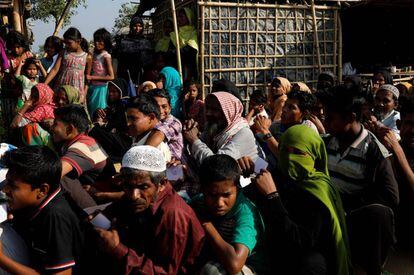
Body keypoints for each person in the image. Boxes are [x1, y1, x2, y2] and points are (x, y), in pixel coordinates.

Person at [247, 124, 351, 275]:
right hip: (274, 251)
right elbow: (268, 171)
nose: (290, 157)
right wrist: (249, 165)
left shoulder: (319, 191)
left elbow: (301, 241)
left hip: (303, 259)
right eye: (285, 150)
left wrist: (273, 197)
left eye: (298, 152)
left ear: (314, 155)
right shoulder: (282, 175)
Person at [95, 145, 205, 274]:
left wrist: (117, 249)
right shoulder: (135, 196)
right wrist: (96, 223)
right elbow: (111, 212)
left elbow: (165, 272)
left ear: (162, 184)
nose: (134, 195)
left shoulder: (172, 214)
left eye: (144, 187)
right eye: (128, 186)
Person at [323, 89, 399, 274]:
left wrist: (352, 205)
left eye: (331, 118)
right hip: (325, 211)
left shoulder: (373, 150)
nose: (326, 123)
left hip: (352, 217)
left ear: (351, 117)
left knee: (378, 214)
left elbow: (391, 196)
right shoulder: (326, 142)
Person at [0, 146, 86, 274]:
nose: (5, 190)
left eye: (12, 186)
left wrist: (2, 259)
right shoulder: (37, 198)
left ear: (42, 190)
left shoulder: (55, 216)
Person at [192, 154, 266, 274]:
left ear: (237, 188)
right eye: (212, 195)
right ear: (203, 190)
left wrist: (207, 226)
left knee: (212, 271)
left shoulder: (246, 213)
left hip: (247, 267)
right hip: (217, 258)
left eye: (226, 195)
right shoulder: (199, 201)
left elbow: (235, 264)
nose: (219, 203)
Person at [51, 104, 110, 208]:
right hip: (91, 189)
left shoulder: (82, 148)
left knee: (62, 178)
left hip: (95, 201)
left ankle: (95, 218)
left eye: (55, 124)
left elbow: (54, 172)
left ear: (69, 129)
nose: (52, 128)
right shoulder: (82, 140)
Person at [376, 96, 414, 248]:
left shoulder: (396, 149)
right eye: (409, 123)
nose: (412, 130)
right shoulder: (388, 149)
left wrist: (398, 153)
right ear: (399, 124)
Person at [184, 92, 259, 166]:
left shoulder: (243, 132)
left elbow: (218, 165)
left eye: (215, 110)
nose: (208, 113)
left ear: (229, 112)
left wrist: (194, 140)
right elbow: (198, 147)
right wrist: (191, 130)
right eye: (207, 108)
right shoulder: (215, 128)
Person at [253, 90, 318, 160]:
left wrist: (266, 132)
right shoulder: (277, 126)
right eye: (285, 105)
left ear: (305, 113)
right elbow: (259, 139)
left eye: (291, 107)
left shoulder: (308, 130)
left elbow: (288, 160)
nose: (284, 110)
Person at [89, 78, 132, 163]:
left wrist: (102, 124)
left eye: (114, 91)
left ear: (121, 92)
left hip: (123, 143)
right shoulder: (112, 108)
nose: (110, 94)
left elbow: (115, 126)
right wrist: (98, 113)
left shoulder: (124, 107)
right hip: (113, 140)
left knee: (94, 131)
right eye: (109, 91)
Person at [45, 27, 89, 103]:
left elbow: (88, 78)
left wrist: (83, 94)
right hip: (61, 87)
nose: (67, 45)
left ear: (78, 42)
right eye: (65, 43)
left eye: (69, 43)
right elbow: (55, 69)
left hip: (77, 91)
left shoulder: (87, 57)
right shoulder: (63, 52)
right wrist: (44, 84)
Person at [127, 94, 172, 162]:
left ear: (151, 117)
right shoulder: (138, 137)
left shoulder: (157, 149)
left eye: (133, 119)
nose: (128, 123)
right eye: (128, 118)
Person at [145, 89, 184, 161]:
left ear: (170, 107)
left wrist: (140, 157)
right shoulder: (151, 121)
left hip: (174, 165)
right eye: (155, 106)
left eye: (164, 106)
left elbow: (159, 133)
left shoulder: (174, 123)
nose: (160, 110)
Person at [115, 17, 153, 85]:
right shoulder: (124, 42)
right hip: (127, 75)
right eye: (135, 26)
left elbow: (149, 62)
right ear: (131, 27)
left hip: (142, 75)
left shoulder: (146, 42)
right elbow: (120, 60)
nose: (137, 28)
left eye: (140, 26)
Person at [86, 28, 115, 117]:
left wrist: (92, 77)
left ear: (105, 42)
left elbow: (111, 77)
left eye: (100, 41)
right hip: (92, 86)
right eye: (96, 41)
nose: (96, 43)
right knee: (91, 110)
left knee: (99, 111)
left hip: (101, 88)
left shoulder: (106, 56)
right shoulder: (93, 54)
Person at [170, 8, 198, 80]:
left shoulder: (193, 32)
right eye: (178, 17)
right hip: (176, 65)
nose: (179, 19)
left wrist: (177, 52)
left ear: (188, 17)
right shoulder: (175, 34)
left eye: (181, 16)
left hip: (189, 67)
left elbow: (192, 49)